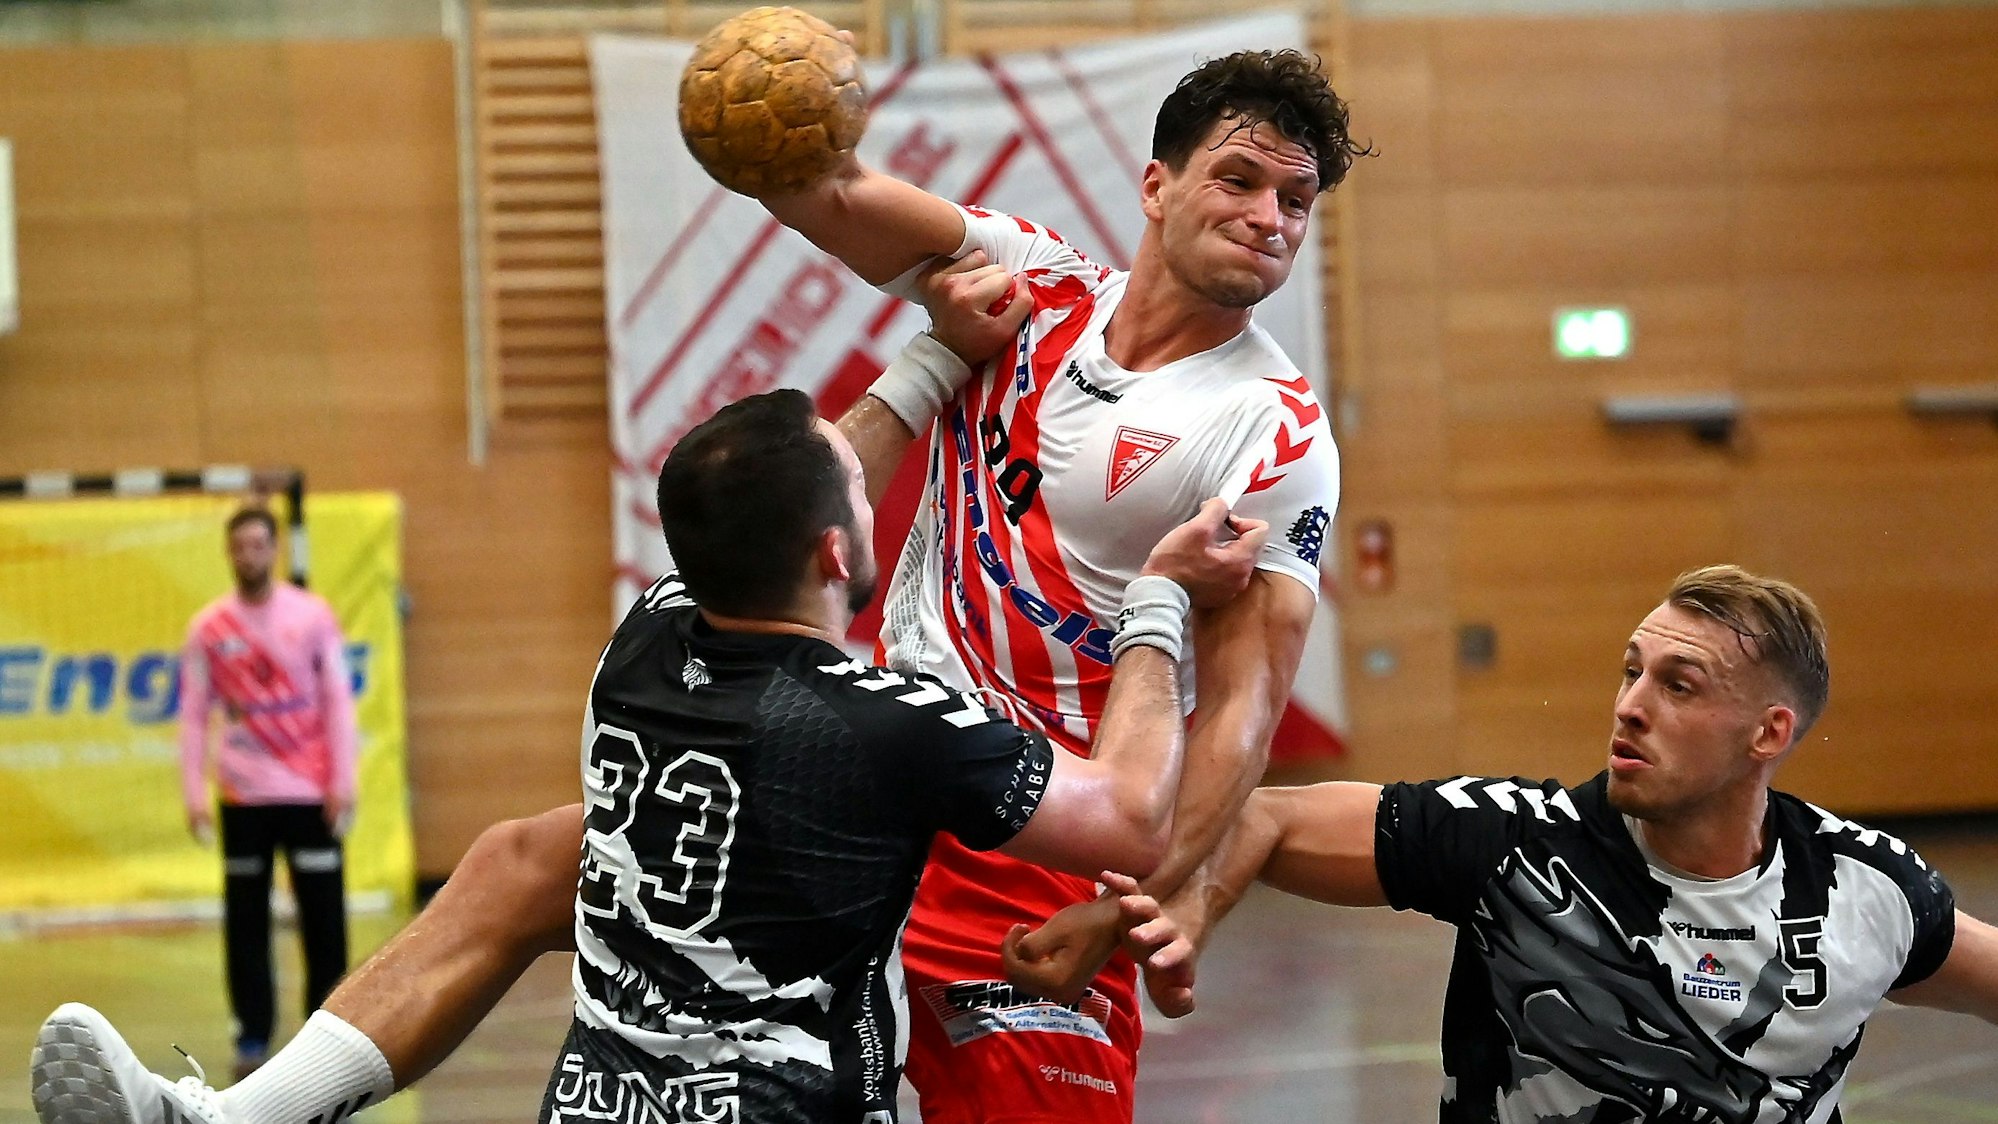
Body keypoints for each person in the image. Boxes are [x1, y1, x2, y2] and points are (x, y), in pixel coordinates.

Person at [30, 45, 1364, 1124]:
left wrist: (1135, 904)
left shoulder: (1272, 431)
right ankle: (230, 1123)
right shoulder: (1031, 280)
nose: (1267, 219)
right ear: (1154, 182)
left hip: (1041, 828)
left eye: (1294, 204)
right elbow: (830, 196)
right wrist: (758, 121)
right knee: (522, 864)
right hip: (861, 766)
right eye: (1241, 180)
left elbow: (1241, 713)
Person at [33, 386, 1265, 1124]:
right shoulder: (893, 722)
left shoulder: (646, 637)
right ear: (837, 553)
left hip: (595, 1105)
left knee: (523, 856)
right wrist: (1157, 597)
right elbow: (1131, 814)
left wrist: (933, 355)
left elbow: (779, 484)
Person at [1046, 565, 1998, 1123]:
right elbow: (1269, 813)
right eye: (1632, 671)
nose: (1629, 704)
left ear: (1769, 735)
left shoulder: (1863, 889)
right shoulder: (1516, 844)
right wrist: (1191, 910)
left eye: (1680, 685)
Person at [178, 507, 359, 1080]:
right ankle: (253, 1031)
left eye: (260, 544)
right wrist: (194, 790)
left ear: (276, 549)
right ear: (228, 552)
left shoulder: (312, 616)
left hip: (308, 793)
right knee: (246, 919)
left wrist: (342, 780)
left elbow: (337, 699)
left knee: (324, 917)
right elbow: (192, 714)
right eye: (240, 546)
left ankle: (326, 1030)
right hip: (244, 795)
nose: (250, 555)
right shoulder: (209, 628)